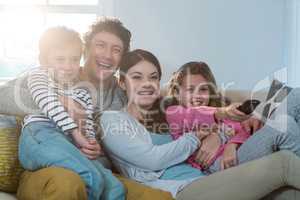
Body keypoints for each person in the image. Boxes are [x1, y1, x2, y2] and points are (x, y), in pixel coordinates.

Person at [0, 17, 173, 200]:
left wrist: (207, 133)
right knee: (68, 184)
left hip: (97, 168)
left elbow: (175, 102)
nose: (107, 55)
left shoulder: (124, 92)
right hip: (48, 167)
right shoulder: (56, 72)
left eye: (116, 50)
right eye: (100, 45)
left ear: (122, 59)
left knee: (156, 197)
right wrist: (62, 102)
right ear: (86, 49)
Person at [100, 49, 300, 199]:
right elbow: (153, 160)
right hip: (184, 188)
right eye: (136, 77)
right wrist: (199, 136)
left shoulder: (164, 111)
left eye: (153, 77)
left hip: (209, 176)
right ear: (121, 82)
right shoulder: (112, 119)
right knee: (283, 158)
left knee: (290, 194)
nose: (146, 83)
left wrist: (222, 135)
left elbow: (209, 117)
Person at [18, 26, 125, 200]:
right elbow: (48, 102)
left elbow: (87, 122)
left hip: (68, 142)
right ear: (44, 60)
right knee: (92, 177)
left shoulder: (84, 91)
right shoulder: (40, 75)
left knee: (115, 188)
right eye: (60, 59)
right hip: (42, 135)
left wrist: (91, 144)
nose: (68, 66)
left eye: (74, 59)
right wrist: (75, 132)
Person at [166, 61, 251, 171]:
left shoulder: (221, 114)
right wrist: (223, 113)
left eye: (203, 89)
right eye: (190, 89)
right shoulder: (173, 113)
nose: (198, 95)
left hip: (234, 154)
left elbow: (244, 130)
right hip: (216, 165)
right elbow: (195, 115)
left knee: (275, 132)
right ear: (177, 93)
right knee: (277, 134)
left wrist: (231, 145)